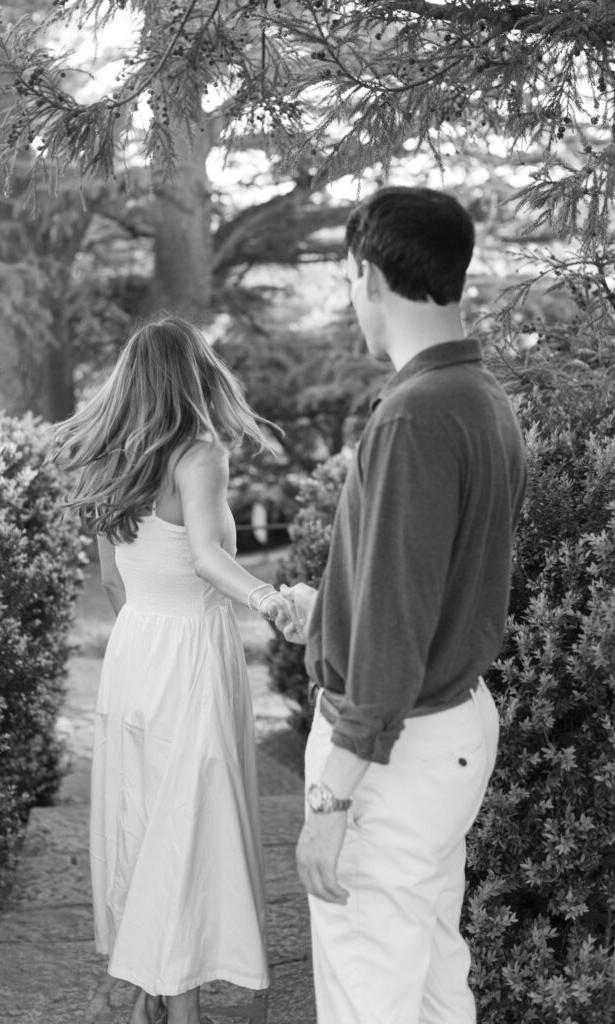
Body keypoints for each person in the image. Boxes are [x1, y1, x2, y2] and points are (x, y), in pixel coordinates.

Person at [275, 186, 527, 1024]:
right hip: (442, 729)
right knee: (424, 978)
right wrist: (330, 611)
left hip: (393, 749)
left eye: (349, 278)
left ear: (369, 275)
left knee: (369, 991)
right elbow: (425, 588)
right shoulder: (478, 397)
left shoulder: (414, 415)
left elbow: (395, 629)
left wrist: (330, 803)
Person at [53, 317, 294, 1024]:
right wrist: (268, 598)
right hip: (190, 653)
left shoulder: (110, 463)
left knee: (143, 816)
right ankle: (177, 1009)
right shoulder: (201, 453)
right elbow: (206, 557)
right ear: (196, 375)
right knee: (187, 824)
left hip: (134, 654)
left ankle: (152, 994)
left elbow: (114, 581)